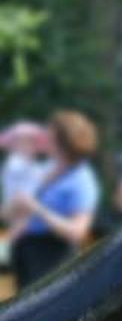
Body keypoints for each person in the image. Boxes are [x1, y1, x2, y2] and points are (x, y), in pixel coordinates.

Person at [8, 111, 101, 288]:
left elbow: (77, 232)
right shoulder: (51, 168)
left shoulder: (82, 179)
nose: (44, 139)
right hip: (29, 251)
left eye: (49, 135)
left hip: (53, 256)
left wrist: (36, 208)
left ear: (64, 141)